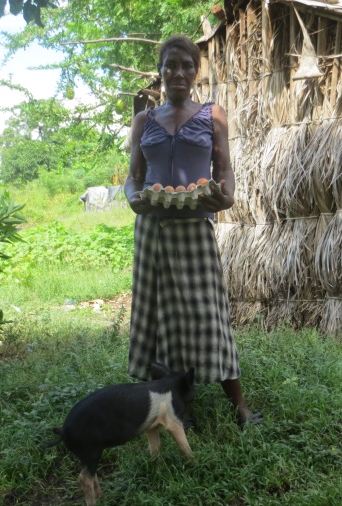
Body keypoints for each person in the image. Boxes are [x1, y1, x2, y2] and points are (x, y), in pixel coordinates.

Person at [124, 35, 262, 426]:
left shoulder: (211, 115)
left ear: (196, 72)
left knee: (209, 314)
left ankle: (241, 408)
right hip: (152, 231)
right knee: (157, 314)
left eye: (187, 65)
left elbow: (225, 169)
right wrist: (134, 196)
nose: (178, 73)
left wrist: (227, 196)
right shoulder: (144, 120)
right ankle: (169, 407)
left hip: (195, 229)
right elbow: (133, 177)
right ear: (161, 71)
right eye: (171, 65)